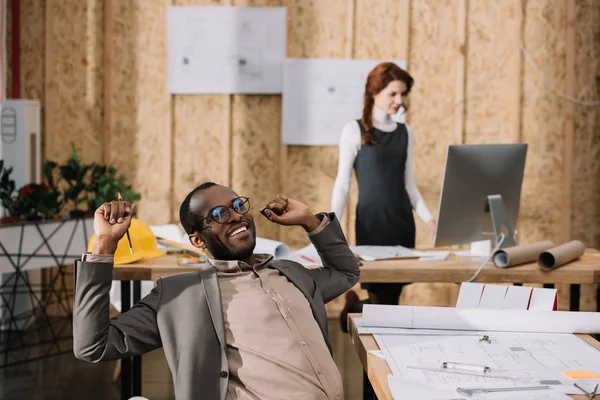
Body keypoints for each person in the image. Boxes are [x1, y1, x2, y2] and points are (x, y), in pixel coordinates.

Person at [73, 182, 359, 400]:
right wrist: (103, 246)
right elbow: (92, 345)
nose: (235, 216)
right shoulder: (181, 296)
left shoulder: (289, 273)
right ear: (197, 240)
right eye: (220, 214)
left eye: (237, 205)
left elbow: (346, 273)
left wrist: (310, 220)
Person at [331, 62, 436, 332]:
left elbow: (409, 184)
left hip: (401, 223)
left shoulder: (405, 133)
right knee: (382, 303)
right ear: (374, 93)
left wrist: (428, 218)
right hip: (371, 224)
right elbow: (343, 184)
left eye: (403, 94)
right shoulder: (354, 131)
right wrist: (331, 225)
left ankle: (355, 312)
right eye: (393, 94)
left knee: (391, 302)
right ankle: (353, 311)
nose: (399, 101)